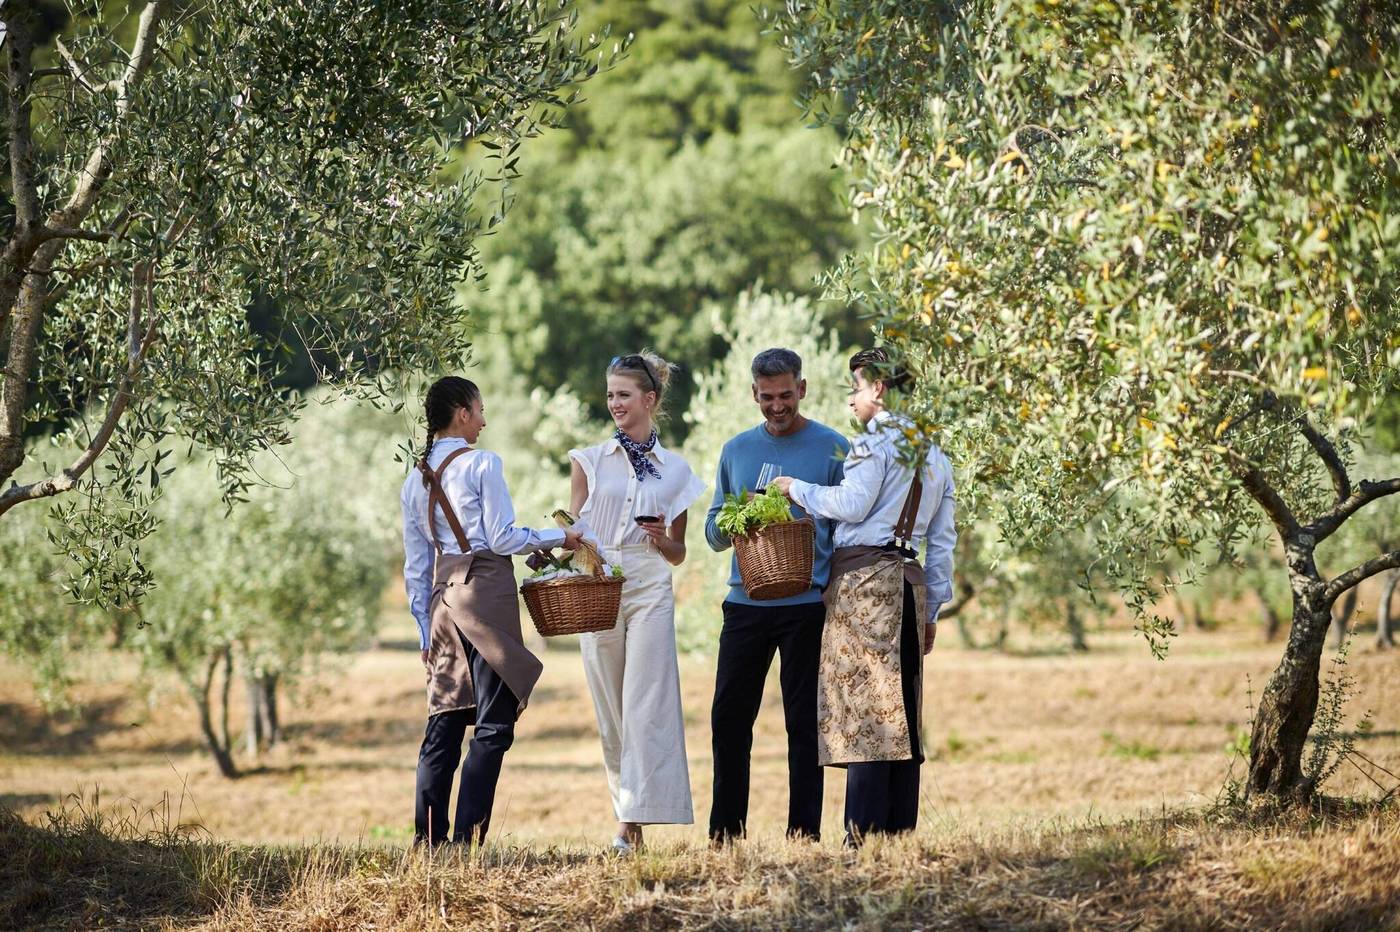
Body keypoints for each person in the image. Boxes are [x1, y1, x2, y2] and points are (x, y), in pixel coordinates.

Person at [772, 347, 956, 844]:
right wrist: (933, 610)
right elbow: (941, 543)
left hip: (866, 584)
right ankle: (898, 832)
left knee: (866, 708)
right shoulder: (935, 451)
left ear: (877, 388)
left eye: (854, 388)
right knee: (903, 707)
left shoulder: (875, 439)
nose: (851, 400)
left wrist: (797, 489)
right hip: (911, 584)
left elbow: (851, 505)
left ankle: (862, 833)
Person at [401, 376, 583, 846]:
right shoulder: (482, 463)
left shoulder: (413, 480)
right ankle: (466, 842)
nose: (483, 421)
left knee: (443, 724)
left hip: (443, 602)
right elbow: (501, 539)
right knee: (493, 725)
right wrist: (558, 537)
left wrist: (424, 631)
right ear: (462, 413)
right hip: (485, 596)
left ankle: (428, 842)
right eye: (480, 411)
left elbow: (416, 567)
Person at [704, 348, 849, 844]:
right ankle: (725, 835)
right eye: (767, 397)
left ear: (802, 389)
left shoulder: (833, 447)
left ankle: (804, 833)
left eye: (786, 395)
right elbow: (712, 527)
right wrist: (735, 522)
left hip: (807, 606)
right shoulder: (736, 450)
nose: (777, 405)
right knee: (728, 719)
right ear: (754, 395)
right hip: (745, 602)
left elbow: (849, 524)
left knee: (803, 723)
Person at [568, 351, 707, 853]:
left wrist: (660, 537)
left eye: (623, 395)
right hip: (599, 581)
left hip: (649, 583)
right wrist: (564, 542)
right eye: (610, 395)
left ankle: (628, 826)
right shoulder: (588, 460)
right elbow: (575, 529)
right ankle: (629, 813)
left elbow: (678, 552)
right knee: (612, 708)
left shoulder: (678, 472)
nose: (614, 404)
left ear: (649, 399)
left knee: (647, 702)